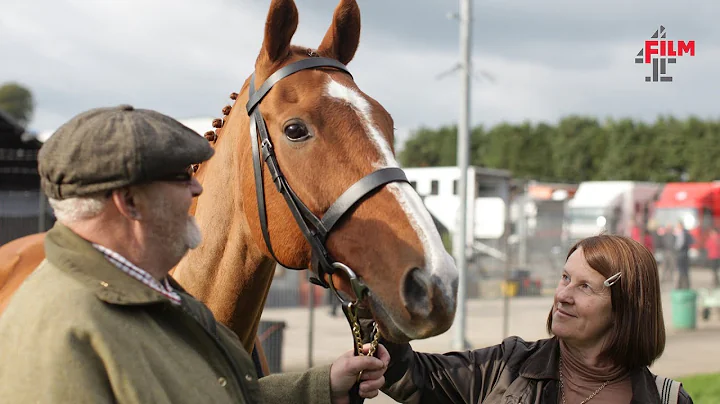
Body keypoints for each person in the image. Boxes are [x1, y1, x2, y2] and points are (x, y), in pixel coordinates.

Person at [0, 105, 389, 404]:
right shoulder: (62, 327)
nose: (197, 190)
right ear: (130, 201)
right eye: (181, 177)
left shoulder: (146, 287)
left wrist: (321, 387)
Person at [378, 234, 694, 403]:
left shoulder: (667, 399)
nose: (563, 295)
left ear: (627, 306)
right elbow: (408, 375)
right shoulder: (506, 368)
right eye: (565, 278)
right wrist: (376, 293)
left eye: (585, 287)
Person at [674, 221, 693, 290]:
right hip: (684, 253)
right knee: (684, 270)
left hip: (682, 254)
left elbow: (680, 245)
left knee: (682, 270)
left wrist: (676, 249)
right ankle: (684, 285)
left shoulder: (682, 233)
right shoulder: (685, 233)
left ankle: (682, 285)